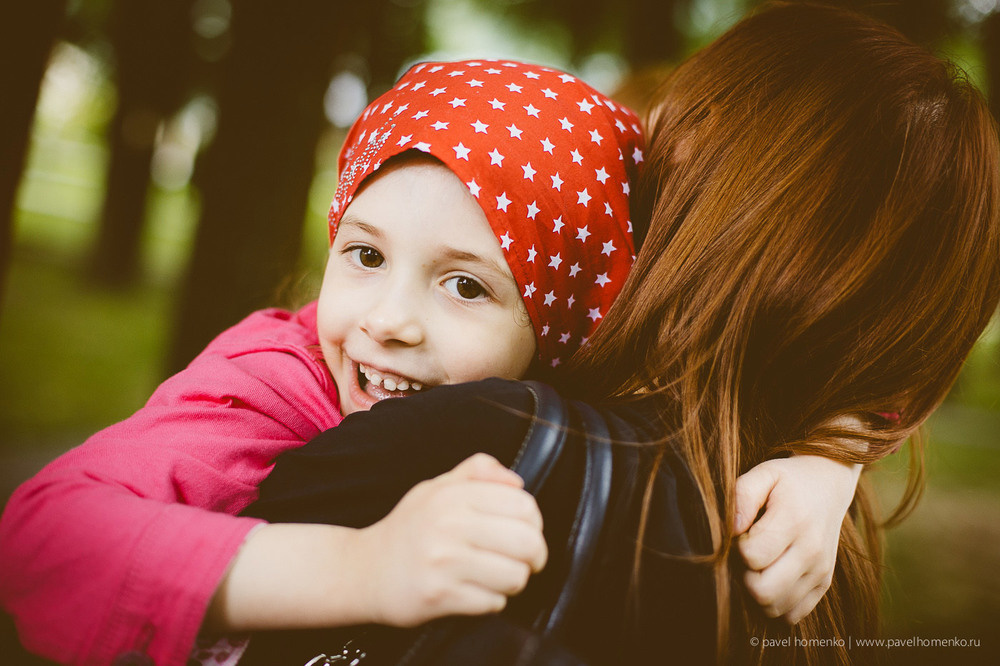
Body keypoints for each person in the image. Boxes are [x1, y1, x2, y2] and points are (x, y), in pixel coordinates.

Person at [235, 2, 1000, 665]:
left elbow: (156, 588)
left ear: (709, 181)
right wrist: (840, 449)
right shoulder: (811, 568)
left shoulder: (462, 441)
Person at [0, 59, 642, 666]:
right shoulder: (272, 382)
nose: (388, 320)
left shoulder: (593, 418)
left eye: (466, 286)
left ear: (565, 326)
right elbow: (44, 540)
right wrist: (364, 567)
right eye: (366, 255)